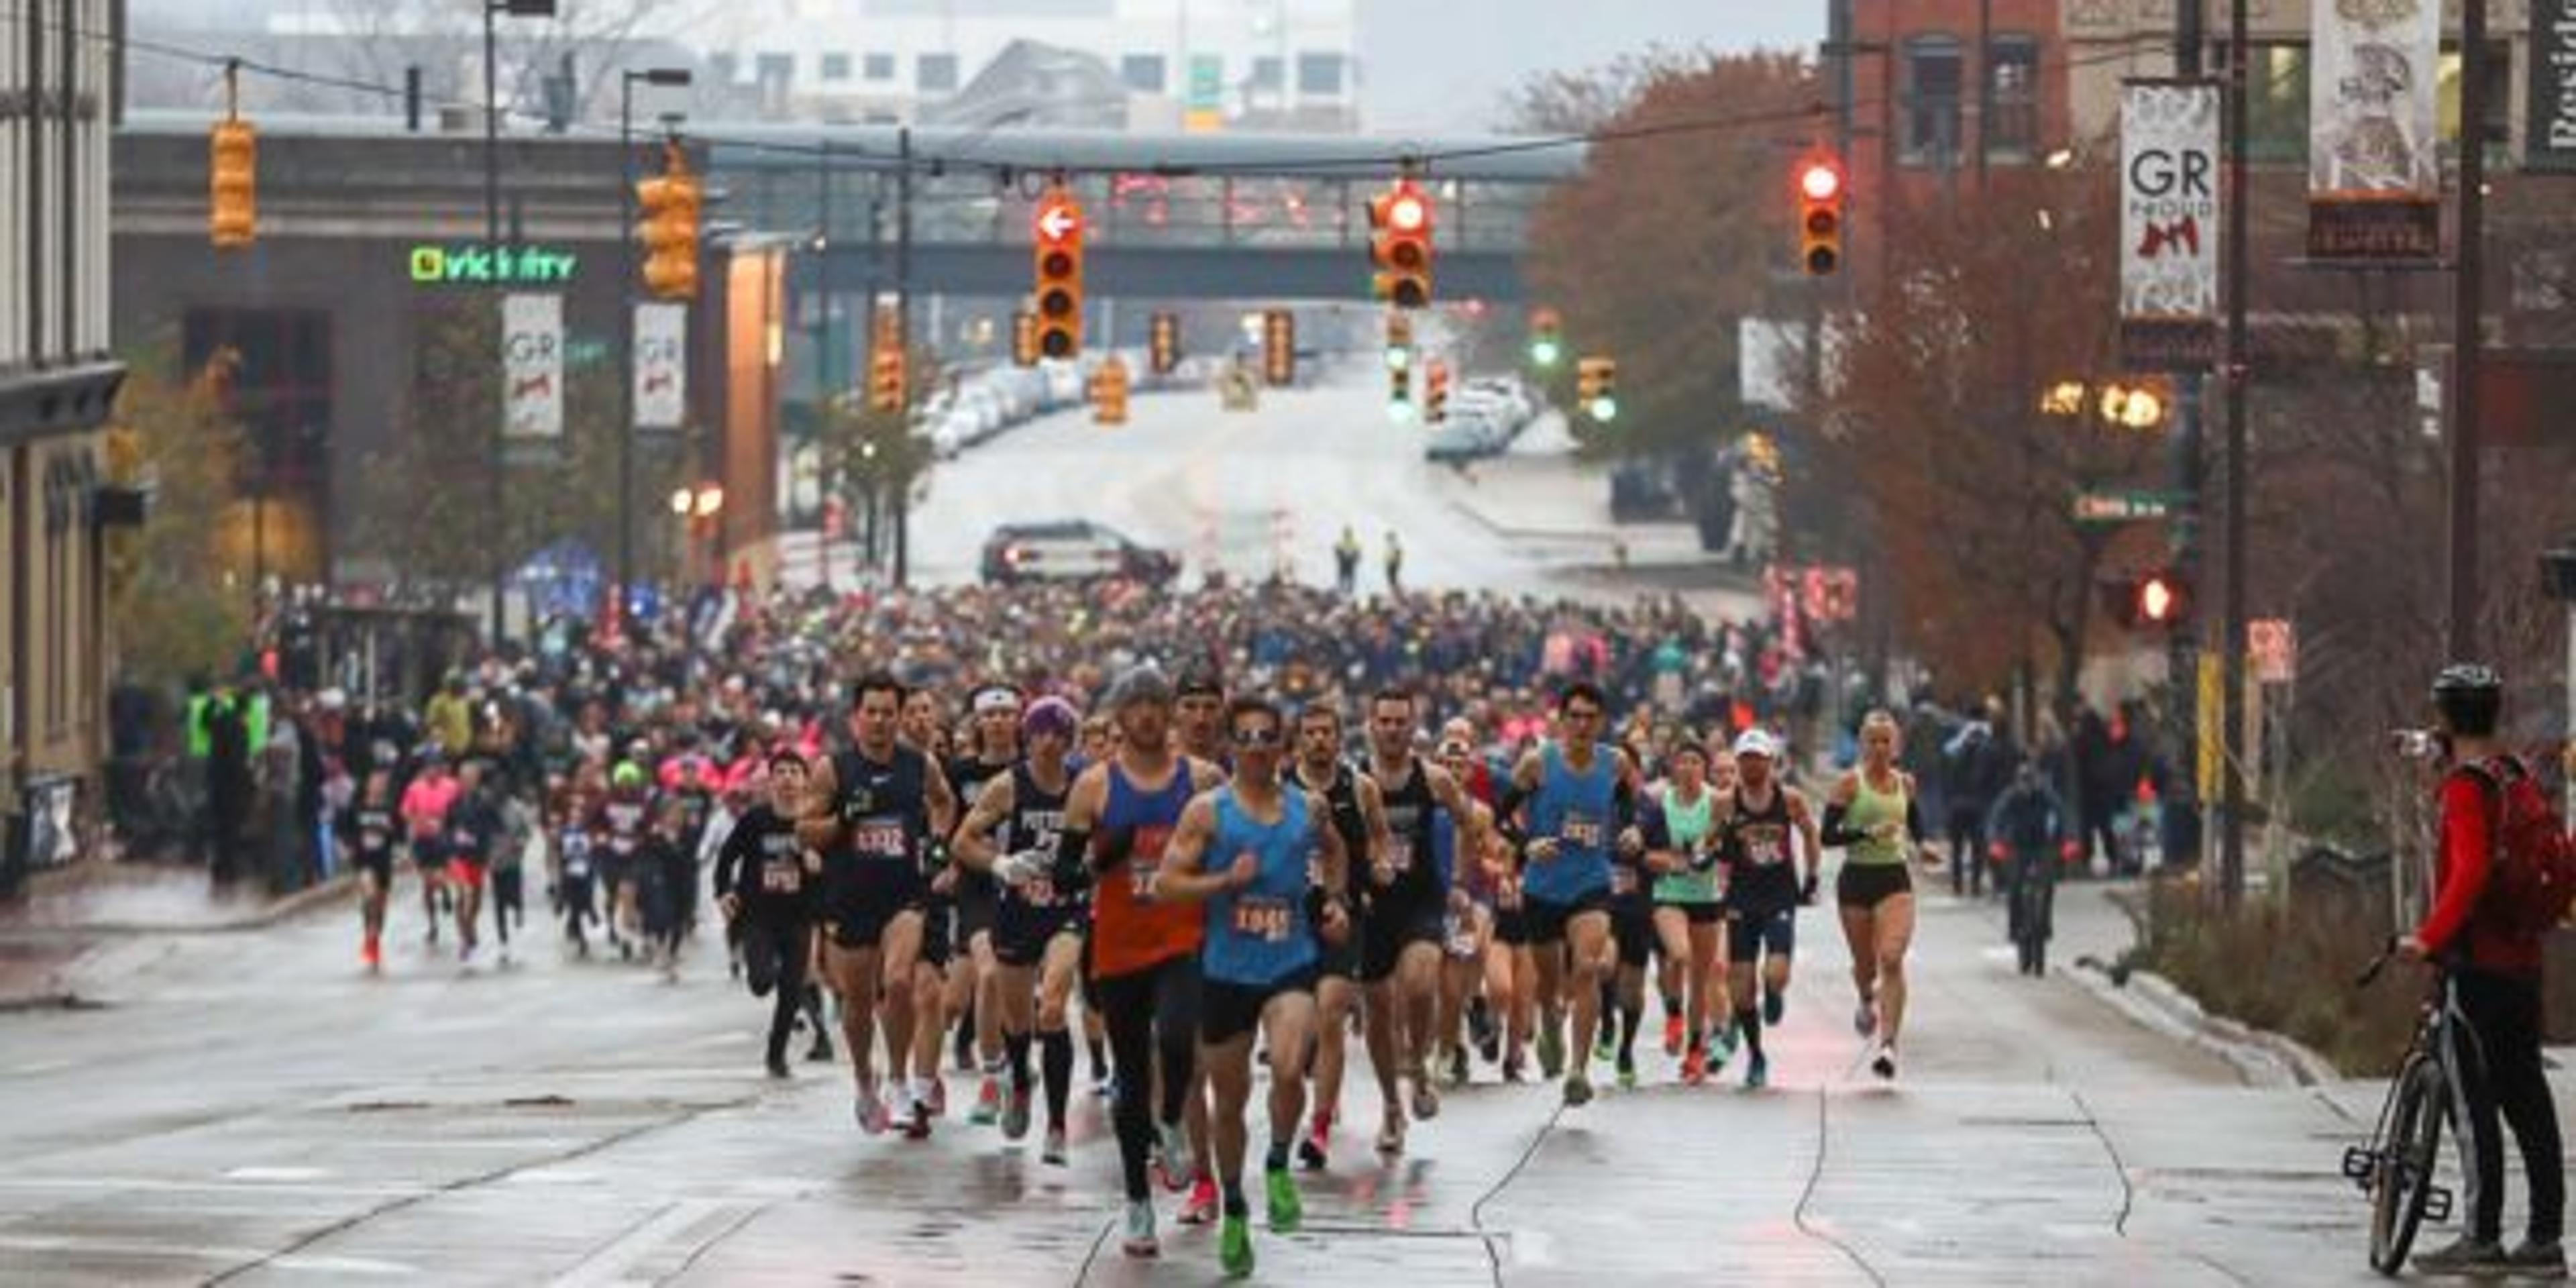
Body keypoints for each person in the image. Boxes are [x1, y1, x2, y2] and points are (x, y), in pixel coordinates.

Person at [1151, 695, 1352, 1278]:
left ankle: (1278, 1162)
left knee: (1290, 1067)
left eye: (1269, 737)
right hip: (1223, 972)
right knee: (1230, 1102)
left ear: (1282, 748)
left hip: (1290, 961)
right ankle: (1235, 1204)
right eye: (1248, 738)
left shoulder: (1308, 808)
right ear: (1231, 748)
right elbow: (1166, 883)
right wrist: (1223, 880)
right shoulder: (1207, 813)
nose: (1259, 747)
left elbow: (1336, 852)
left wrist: (1332, 901)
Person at [1053, 665, 1227, 1256]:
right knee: (1129, 1078)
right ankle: (1137, 1203)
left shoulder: (1202, 779)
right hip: (1120, 947)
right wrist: (1109, 856)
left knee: (1178, 1040)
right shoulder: (1094, 787)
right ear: (1120, 717)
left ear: (1172, 714)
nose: (1149, 715)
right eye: (1138, 706)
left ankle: (1173, 1118)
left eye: (1159, 704)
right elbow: (1064, 875)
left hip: (1182, 939)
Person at [2402, 665, 2567, 1277]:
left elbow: (2468, 872)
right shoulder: (2517, 777)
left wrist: (2427, 938)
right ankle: (2546, 1238)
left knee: (2472, 1107)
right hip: (2523, 964)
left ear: (2444, 718)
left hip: (2475, 968)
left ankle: (2482, 1237)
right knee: (2528, 1099)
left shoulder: (2467, 788)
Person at [800, 674, 959, 1140]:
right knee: (858, 1003)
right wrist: (843, 819)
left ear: (898, 717)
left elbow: (944, 802)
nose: (880, 721)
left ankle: (898, 1083)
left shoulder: (920, 764)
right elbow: (805, 831)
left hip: (904, 894)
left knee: (899, 980)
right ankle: (865, 1083)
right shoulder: (834, 770)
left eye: (888, 713)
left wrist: (937, 845)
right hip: (850, 898)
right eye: (871, 712)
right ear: (856, 718)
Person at [954, 696, 1086, 1164]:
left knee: (1052, 1008)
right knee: (1017, 1022)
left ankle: (1056, 1126)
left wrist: (1089, 863)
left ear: (1070, 739)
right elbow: (963, 841)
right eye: (1039, 733)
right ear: (1026, 738)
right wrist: (1002, 863)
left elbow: (1111, 839)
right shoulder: (1007, 786)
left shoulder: (1084, 785)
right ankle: (1018, 1078)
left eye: (1057, 734)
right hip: (1016, 911)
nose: (1048, 743)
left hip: (1065, 910)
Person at [1499, 681, 1638, 1107]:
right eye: (1573, 716)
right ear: (1561, 719)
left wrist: (1630, 829)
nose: (1580, 724)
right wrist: (1527, 846)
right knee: (1548, 981)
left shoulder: (1614, 764)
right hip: (1543, 887)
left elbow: (1626, 805)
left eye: (1589, 717)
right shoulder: (1538, 763)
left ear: (1601, 722)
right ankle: (1550, 1022)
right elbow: (1502, 816)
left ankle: (1578, 1070)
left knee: (1589, 967)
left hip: (1591, 884)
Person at [1359, 689, 1474, 1138]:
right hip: (1372, 904)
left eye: (1399, 722)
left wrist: (1460, 881)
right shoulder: (1356, 778)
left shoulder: (1434, 778)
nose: (1391, 729)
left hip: (1421, 900)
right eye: (1383, 721)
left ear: (1412, 726)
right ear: (1371, 724)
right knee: (1378, 1010)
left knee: (1422, 982)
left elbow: (1466, 821)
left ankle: (1420, 1065)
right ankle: (1391, 1105)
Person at [1288, 701, 1385, 1167]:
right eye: (1311, 733)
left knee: (1330, 1016)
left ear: (1339, 738)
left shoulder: (1360, 787)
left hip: (1344, 914)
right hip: (1286, 919)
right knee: (1296, 1031)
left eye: (1327, 732)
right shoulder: (1280, 787)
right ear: (1298, 740)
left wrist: (1380, 865)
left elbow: (1381, 838)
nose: (1320, 740)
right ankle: (1300, 1101)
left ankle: (1320, 1129)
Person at [1711, 727, 1819, 1090]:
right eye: (1746, 760)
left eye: (1759, 759)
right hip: (1741, 897)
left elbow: (1809, 832)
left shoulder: (1789, 799)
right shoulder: (1726, 802)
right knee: (1740, 991)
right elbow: (1713, 843)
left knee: (1774, 972)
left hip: (1779, 895)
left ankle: (1774, 992)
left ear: (1771, 763)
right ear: (1739, 763)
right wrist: (1705, 857)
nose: (1752, 766)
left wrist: (1813, 875)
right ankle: (1757, 1055)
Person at [1823, 711, 1929, 1080]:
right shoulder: (1849, 785)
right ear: (1863, 745)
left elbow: (1914, 819)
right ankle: (1867, 999)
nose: (1881, 748)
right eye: (1874, 741)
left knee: (1892, 957)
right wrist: (1867, 833)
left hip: (1893, 879)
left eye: (1887, 741)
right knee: (1866, 968)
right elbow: (1826, 837)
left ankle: (1888, 1045)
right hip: (1855, 882)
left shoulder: (1906, 783)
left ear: (1896, 745)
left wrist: (1925, 844)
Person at [716, 750, 822, 1076]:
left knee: (791, 992)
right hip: (759, 916)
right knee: (761, 983)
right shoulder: (755, 820)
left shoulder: (815, 823)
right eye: (781, 772)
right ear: (771, 781)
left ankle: (776, 1057)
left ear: (805, 781)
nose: (788, 778)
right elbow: (726, 858)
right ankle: (769, 969)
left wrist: (819, 867)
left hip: (799, 917)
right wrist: (723, 892)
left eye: (795, 771)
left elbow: (838, 868)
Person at [946, 685, 1021, 1128]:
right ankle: (993, 1076)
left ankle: (1015, 1063)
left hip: (1025, 890)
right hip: (976, 888)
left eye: (1006, 714)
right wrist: (949, 861)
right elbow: (945, 824)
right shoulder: (961, 773)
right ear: (978, 722)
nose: (997, 722)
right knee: (989, 974)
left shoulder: (1032, 771)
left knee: (1020, 993)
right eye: (990, 716)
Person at [1644, 741, 1730, 1085]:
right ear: (1673, 767)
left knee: (1700, 981)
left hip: (1707, 898)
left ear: (1705, 769)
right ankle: (1673, 1016)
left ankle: (1696, 1051)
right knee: (1679, 955)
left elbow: (1734, 824)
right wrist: (1670, 862)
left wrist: (1713, 845)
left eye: (1696, 762)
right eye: (1683, 761)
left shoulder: (1717, 801)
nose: (1690, 768)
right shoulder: (1659, 801)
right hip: (1668, 893)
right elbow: (1646, 853)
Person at [1986, 761, 2073, 977]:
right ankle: (2016, 928)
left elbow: (2063, 815)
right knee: (2014, 887)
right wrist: (1995, 842)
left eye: (2030, 782)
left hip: (2042, 846)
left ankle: (2045, 925)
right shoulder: (2011, 796)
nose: (2027, 787)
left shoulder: (2046, 795)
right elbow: (1996, 817)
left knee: (2047, 885)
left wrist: (2069, 840)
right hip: (2017, 846)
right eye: (2023, 782)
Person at [340, 769, 401, 971]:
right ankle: (370, 933)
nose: (378, 787)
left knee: (380, 907)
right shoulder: (357, 808)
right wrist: (347, 847)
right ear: (368, 785)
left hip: (383, 862)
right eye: (375, 783)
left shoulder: (390, 809)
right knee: (370, 895)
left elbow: (398, 836)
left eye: (382, 784)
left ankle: (373, 937)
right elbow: (344, 829)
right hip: (363, 860)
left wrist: (397, 846)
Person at [1334, 526, 1362, 598]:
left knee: (1348, 575)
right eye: (1347, 534)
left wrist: (1357, 558)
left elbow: (1358, 552)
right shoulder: (1343, 542)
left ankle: (1348, 588)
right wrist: (1339, 557)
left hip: (1348, 561)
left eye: (1348, 534)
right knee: (1345, 575)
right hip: (1345, 561)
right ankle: (1344, 588)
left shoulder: (1353, 543)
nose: (1347, 535)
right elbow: (1337, 550)